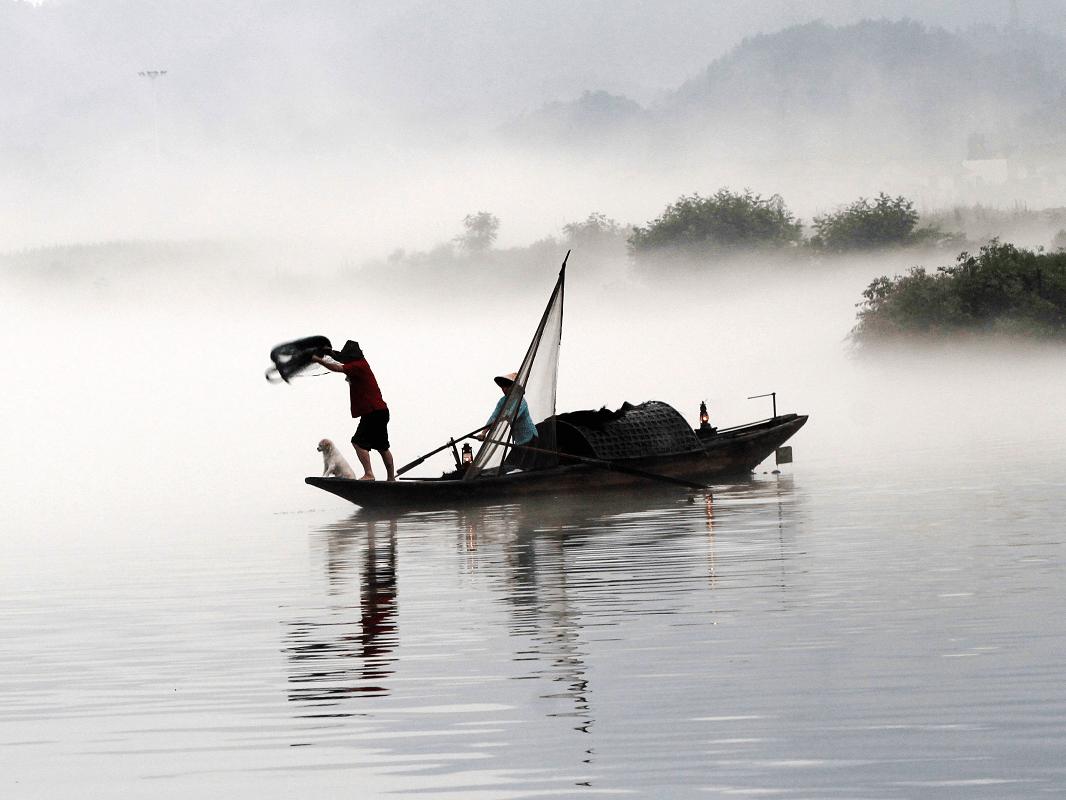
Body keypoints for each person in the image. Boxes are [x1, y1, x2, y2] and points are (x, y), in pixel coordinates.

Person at [312, 340, 395, 482]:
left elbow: (338, 367)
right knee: (382, 447)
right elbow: (339, 357)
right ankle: (391, 478)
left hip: (372, 412)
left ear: (351, 357)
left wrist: (318, 360)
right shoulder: (360, 362)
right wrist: (329, 352)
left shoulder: (358, 366)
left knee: (357, 442)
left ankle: (369, 474)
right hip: (381, 411)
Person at [481, 372, 538, 447]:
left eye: (507, 387)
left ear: (514, 387)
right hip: (518, 441)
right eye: (502, 387)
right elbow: (494, 417)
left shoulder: (521, 400)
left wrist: (502, 418)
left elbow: (512, 415)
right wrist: (483, 433)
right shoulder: (502, 401)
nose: (504, 389)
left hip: (530, 438)